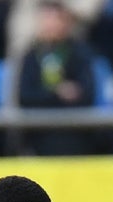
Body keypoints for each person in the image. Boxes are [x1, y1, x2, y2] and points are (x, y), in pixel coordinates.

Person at [16, 0, 102, 156]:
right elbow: (24, 96)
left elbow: (87, 94)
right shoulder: (31, 55)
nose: (50, 25)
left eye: (55, 19)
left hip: (74, 134)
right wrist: (57, 94)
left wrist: (50, 97)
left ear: (66, 22)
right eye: (46, 19)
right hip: (39, 135)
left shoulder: (80, 53)